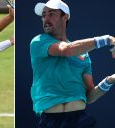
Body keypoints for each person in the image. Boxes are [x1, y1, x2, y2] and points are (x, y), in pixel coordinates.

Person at [30, 0, 115, 128]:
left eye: (51, 14)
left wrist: (109, 81)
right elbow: (67, 50)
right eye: (44, 15)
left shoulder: (84, 54)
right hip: (51, 121)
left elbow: (89, 96)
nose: (46, 18)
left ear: (65, 17)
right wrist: (107, 39)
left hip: (80, 120)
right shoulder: (38, 41)